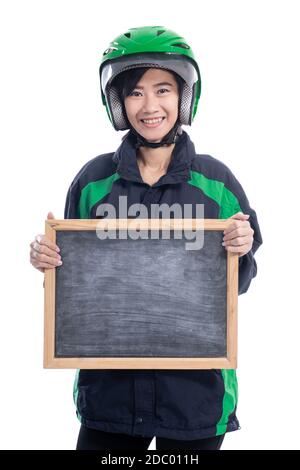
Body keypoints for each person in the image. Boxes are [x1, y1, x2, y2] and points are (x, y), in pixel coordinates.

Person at [29, 26, 263, 450]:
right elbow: (73, 287)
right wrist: (49, 264)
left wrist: (240, 251)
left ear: (184, 96)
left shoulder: (217, 183)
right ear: (118, 102)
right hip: (111, 398)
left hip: (195, 398)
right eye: (135, 92)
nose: (150, 106)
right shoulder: (93, 182)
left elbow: (241, 281)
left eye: (163, 90)